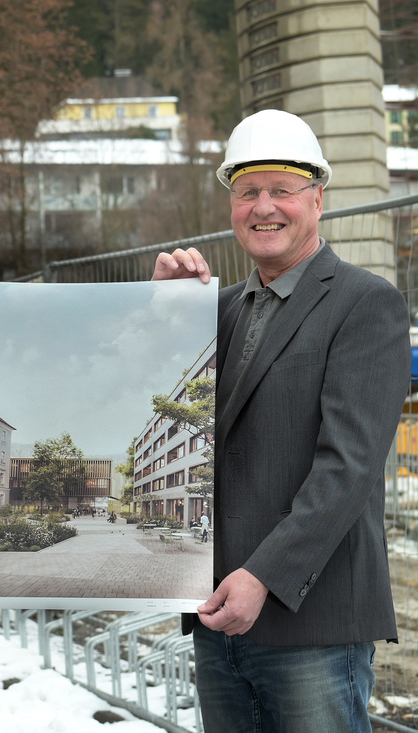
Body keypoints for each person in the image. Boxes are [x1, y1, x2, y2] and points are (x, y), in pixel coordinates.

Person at [153, 108, 410, 732]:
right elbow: (163, 412)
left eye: (282, 190)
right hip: (219, 616)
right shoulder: (214, 311)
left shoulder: (364, 303)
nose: (263, 206)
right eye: (247, 192)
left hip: (310, 623)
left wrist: (264, 576)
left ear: (316, 199)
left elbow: (346, 469)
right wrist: (161, 314)